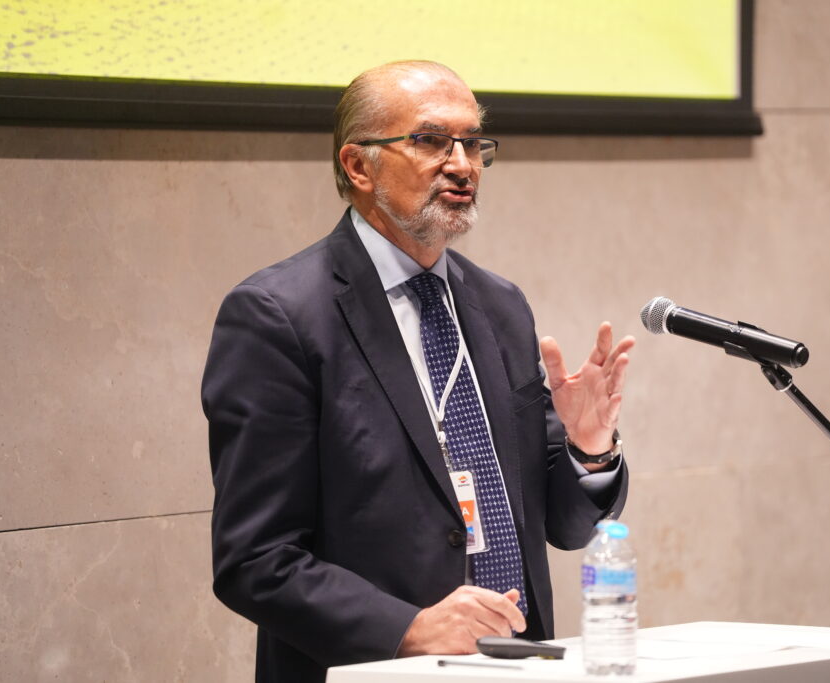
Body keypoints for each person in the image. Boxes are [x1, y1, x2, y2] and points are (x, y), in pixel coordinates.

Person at [202, 60, 634, 681]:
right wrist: (406, 629)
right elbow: (254, 560)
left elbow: (567, 528)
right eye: (431, 141)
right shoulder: (279, 316)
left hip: (517, 664)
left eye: (473, 143)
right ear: (359, 166)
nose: (462, 165)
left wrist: (588, 452)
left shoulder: (500, 306)